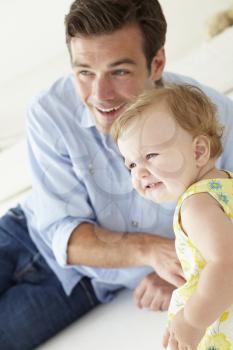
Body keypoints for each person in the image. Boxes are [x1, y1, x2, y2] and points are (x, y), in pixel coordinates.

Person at [1, 0, 233, 349]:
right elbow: (65, 234)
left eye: (119, 72)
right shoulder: (50, 111)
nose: (100, 95)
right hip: (26, 234)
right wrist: (159, 252)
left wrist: (192, 269)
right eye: (84, 72)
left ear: (156, 63)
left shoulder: (211, 117)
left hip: (87, 285)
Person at [111, 83, 233, 350]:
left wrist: (192, 321)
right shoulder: (225, 185)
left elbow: (227, 263)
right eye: (131, 164)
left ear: (198, 151)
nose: (139, 172)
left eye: (151, 156)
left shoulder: (196, 205)